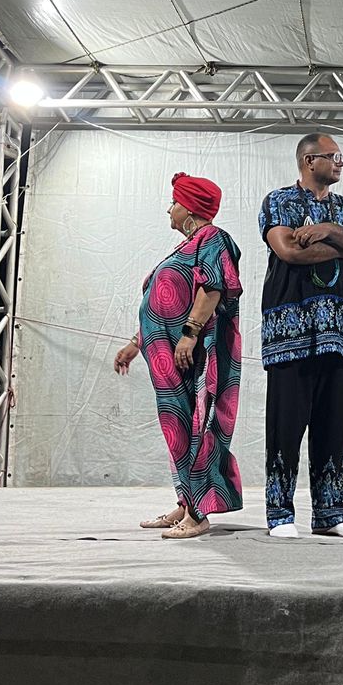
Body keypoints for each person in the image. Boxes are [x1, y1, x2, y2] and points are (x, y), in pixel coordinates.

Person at [258, 132, 343, 538]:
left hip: (341, 331)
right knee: (286, 425)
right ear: (310, 161)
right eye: (334, 156)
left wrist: (327, 230)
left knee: (335, 424)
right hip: (290, 329)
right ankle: (280, 515)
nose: (340, 162)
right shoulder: (278, 201)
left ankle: (333, 515)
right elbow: (289, 251)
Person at [113, 172, 244, 540]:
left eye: (173, 202)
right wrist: (136, 344)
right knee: (179, 427)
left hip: (196, 355)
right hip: (170, 359)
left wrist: (189, 334)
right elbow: (161, 304)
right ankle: (186, 502)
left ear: (189, 207)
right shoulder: (187, 246)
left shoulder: (213, 239)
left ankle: (199, 513)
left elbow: (212, 287)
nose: (169, 209)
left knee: (199, 425)